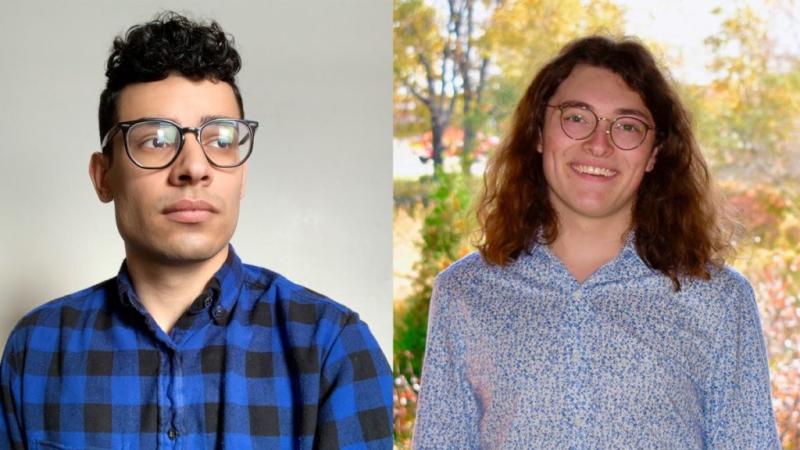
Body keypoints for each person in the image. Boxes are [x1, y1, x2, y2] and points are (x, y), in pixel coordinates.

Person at [0, 12, 392, 449]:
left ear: (241, 175)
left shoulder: (332, 349)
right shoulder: (33, 352)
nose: (193, 167)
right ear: (103, 177)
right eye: (155, 139)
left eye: (221, 140)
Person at [412, 36, 779, 449]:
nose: (599, 144)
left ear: (655, 152)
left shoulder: (719, 301)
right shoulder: (466, 293)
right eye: (576, 117)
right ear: (538, 132)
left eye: (626, 126)